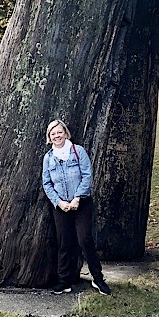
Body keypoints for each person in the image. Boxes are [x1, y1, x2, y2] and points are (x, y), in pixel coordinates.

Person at [40, 119, 111, 296]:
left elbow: (87, 176)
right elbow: (47, 183)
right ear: (49, 137)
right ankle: (64, 281)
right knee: (64, 243)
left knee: (84, 240)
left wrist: (77, 198)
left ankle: (98, 278)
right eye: (53, 133)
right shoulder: (48, 158)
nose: (57, 136)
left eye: (59, 132)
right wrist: (58, 202)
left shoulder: (77, 151)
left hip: (81, 204)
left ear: (65, 133)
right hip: (61, 206)